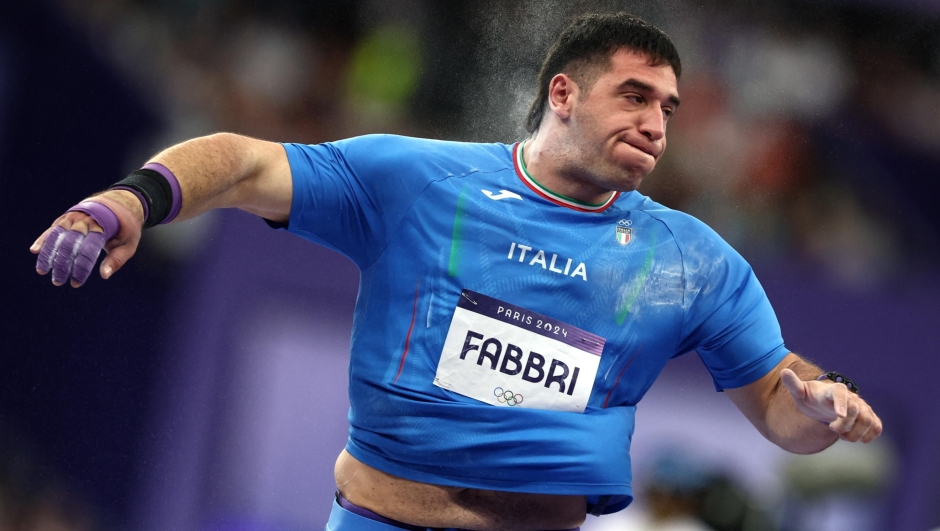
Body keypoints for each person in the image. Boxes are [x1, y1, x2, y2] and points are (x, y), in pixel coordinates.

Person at [30, 12, 882, 531]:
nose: (658, 121)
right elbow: (245, 162)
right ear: (562, 95)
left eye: (670, 107)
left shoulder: (693, 261)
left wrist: (817, 401)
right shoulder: (419, 180)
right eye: (634, 95)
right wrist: (134, 200)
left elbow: (778, 402)